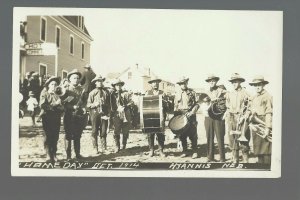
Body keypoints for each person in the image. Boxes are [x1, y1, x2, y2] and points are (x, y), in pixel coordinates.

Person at [225, 73, 251, 163]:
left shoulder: (245, 93)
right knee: (232, 138)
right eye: (232, 82)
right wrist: (228, 113)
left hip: (242, 118)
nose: (234, 84)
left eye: (235, 82)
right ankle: (235, 159)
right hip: (232, 117)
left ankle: (245, 159)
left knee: (244, 138)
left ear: (240, 82)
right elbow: (227, 105)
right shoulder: (229, 94)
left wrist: (244, 116)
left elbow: (249, 107)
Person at [62, 69, 87, 160]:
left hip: (79, 115)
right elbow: (64, 102)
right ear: (70, 79)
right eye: (74, 78)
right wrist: (72, 107)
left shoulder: (81, 90)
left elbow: (85, 101)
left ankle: (77, 154)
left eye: (77, 78)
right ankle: (68, 156)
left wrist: (84, 107)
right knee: (68, 135)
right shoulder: (66, 89)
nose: (76, 80)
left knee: (77, 135)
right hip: (69, 114)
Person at [39, 76, 64, 162]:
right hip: (47, 117)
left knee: (55, 136)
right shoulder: (44, 93)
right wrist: (55, 104)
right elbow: (43, 105)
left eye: (55, 84)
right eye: (52, 84)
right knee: (48, 136)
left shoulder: (58, 93)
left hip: (56, 117)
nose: (54, 86)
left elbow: (62, 107)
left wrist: (61, 106)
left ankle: (54, 153)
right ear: (48, 85)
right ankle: (48, 154)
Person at [249, 76, 272, 164]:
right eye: (255, 85)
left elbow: (268, 113)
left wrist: (267, 128)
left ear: (263, 85)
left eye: (259, 85)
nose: (257, 87)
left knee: (266, 149)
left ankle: (266, 168)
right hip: (256, 123)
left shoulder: (267, 96)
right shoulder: (254, 97)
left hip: (263, 122)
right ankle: (260, 165)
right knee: (258, 147)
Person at [174, 77, 199, 159]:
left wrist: (192, 112)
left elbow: (197, 104)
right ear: (179, 85)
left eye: (184, 83)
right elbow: (175, 106)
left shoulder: (192, 92)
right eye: (181, 84)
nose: (183, 85)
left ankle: (195, 151)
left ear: (187, 83)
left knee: (193, 134)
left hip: (190, 115)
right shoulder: (177, 94)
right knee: (182, 135)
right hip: (181, 115)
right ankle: (185, 151)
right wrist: (176, 117)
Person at [145, 77, 169, 157]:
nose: (155, 84)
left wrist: (164, 101)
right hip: (150, 115)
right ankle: (151, 150)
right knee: (150, 134)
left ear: (158, 84)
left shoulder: (162, 93)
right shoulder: (147, 93)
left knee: (160, 134)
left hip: (160, 116)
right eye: (153, 83)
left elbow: (167, 106)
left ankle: (161, 150)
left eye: (157, 82)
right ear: (151, 84)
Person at [87, 75, 111, 155]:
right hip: (95, 113)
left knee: (103, 131)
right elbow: (88, 104)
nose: (100, 83)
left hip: (104, 113)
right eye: (98, 81)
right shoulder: (92, 93)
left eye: (101, 81)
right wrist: (94, 104)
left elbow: (108, 104)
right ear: (95, 83)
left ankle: (104, 148)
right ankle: (95, 148)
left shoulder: (106, 92)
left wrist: (108, 113)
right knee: (94, 131)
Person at [204, 74, 226, 162]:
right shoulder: (206, 92)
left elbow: (226, 102)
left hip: (218, 116)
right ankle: (210, 157)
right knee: (209, 136)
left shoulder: (222, 90)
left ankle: (222, 157)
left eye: (213, 81)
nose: (211, 82)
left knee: (220, 136)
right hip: (208, 117)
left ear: (216, 81)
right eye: (210, 81)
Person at [110, 78, 133, 153]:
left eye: (120, 85)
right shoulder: (112, 94)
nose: (118, 87)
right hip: (116, 114)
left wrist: (125, 106)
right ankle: (117, 146)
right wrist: (116, 109)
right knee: (116, 130)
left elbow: (131, 102)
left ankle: (124, 145)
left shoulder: (126, 93)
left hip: (126, 113)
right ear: (114, 86)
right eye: (117, 85)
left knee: (125, 130)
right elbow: (110, 104)